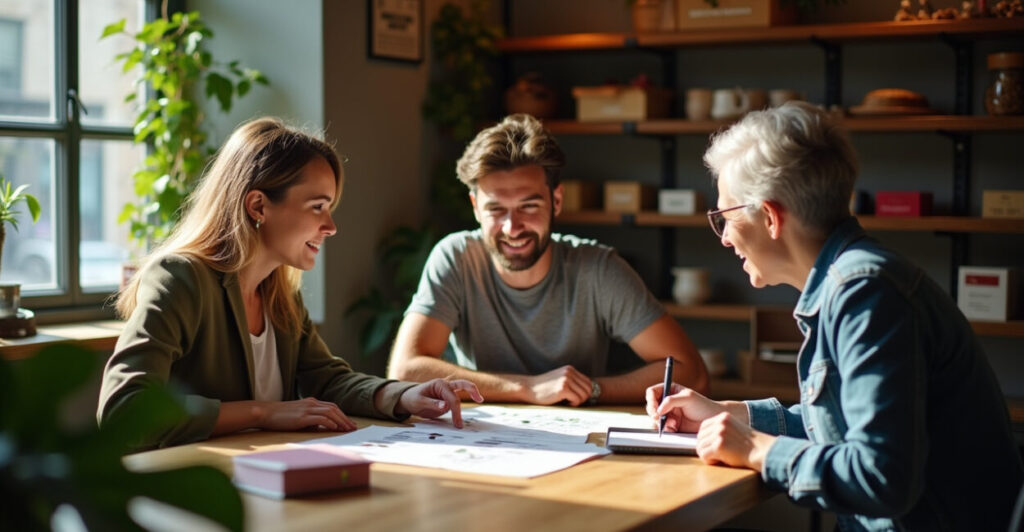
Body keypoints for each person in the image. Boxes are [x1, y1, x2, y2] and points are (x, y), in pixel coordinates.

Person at [646, 102, 1023, 530]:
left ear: (770, 217)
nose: (725, 238)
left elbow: (880, 476)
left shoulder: (866, 294)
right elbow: (847, 433)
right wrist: (733, 416)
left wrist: (755, 449)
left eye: (724, 217)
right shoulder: (853, 281)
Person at [98, 117, 482, 449]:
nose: (330, 227)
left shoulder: (278, 292)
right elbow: (124, 409)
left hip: (263, 478)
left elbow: (327, 380)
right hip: (191, 492)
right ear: (258, 206)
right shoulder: (180, 278)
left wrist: (403, 395)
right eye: (318, 207)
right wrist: (264, 412)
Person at [388, 114, 707, 406]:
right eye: (496, 209)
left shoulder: (597, 269)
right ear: (475, 207)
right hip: (478, 439)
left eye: (528, 206)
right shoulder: (456, 257)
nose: (512, 228)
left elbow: (691, 371)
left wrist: (590, 389)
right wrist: (527, 388)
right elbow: (404, 369)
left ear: (556, 201)